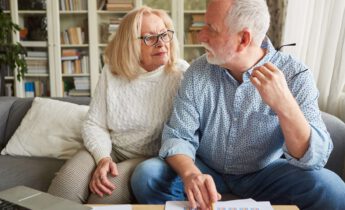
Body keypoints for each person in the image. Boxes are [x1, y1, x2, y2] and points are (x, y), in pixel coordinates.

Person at [130, 0, 345, 210]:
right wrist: (190, 174)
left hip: (267, 173)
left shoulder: (296, 74)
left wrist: (285, 105)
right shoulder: (197, 72)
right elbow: (178, 135)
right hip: (207, 169)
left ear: (243, 39)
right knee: (147, 176)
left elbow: (314, 159)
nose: (200, 36)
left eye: (211, 29)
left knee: (332, 190)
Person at [48, 6, 189, 204]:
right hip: (111, 148)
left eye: (164, 34)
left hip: (148, 157)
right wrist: (103, 158)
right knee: (64, 188)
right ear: (130, 44)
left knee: (103, 195)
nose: (161, 43)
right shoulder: (112, 71)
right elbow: (94, 123)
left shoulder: (181, 74)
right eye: (149, 37)